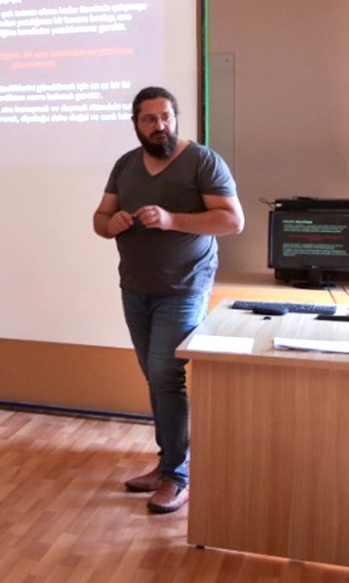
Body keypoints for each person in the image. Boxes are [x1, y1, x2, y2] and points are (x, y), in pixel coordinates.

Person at [93, 86, 243, 515]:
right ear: (136, 123)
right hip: (135, 288)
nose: (159, 125)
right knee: (154, 377)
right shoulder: (125, 165)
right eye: (149, 118)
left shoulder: (203, 161)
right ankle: (167, 465)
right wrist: (113, 223)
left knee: (165, 375)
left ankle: (178, 475)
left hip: (184, 287)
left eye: (166, 117)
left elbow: (233, 220)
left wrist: (173, 219)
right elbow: (99, 219)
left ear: (176, 118)